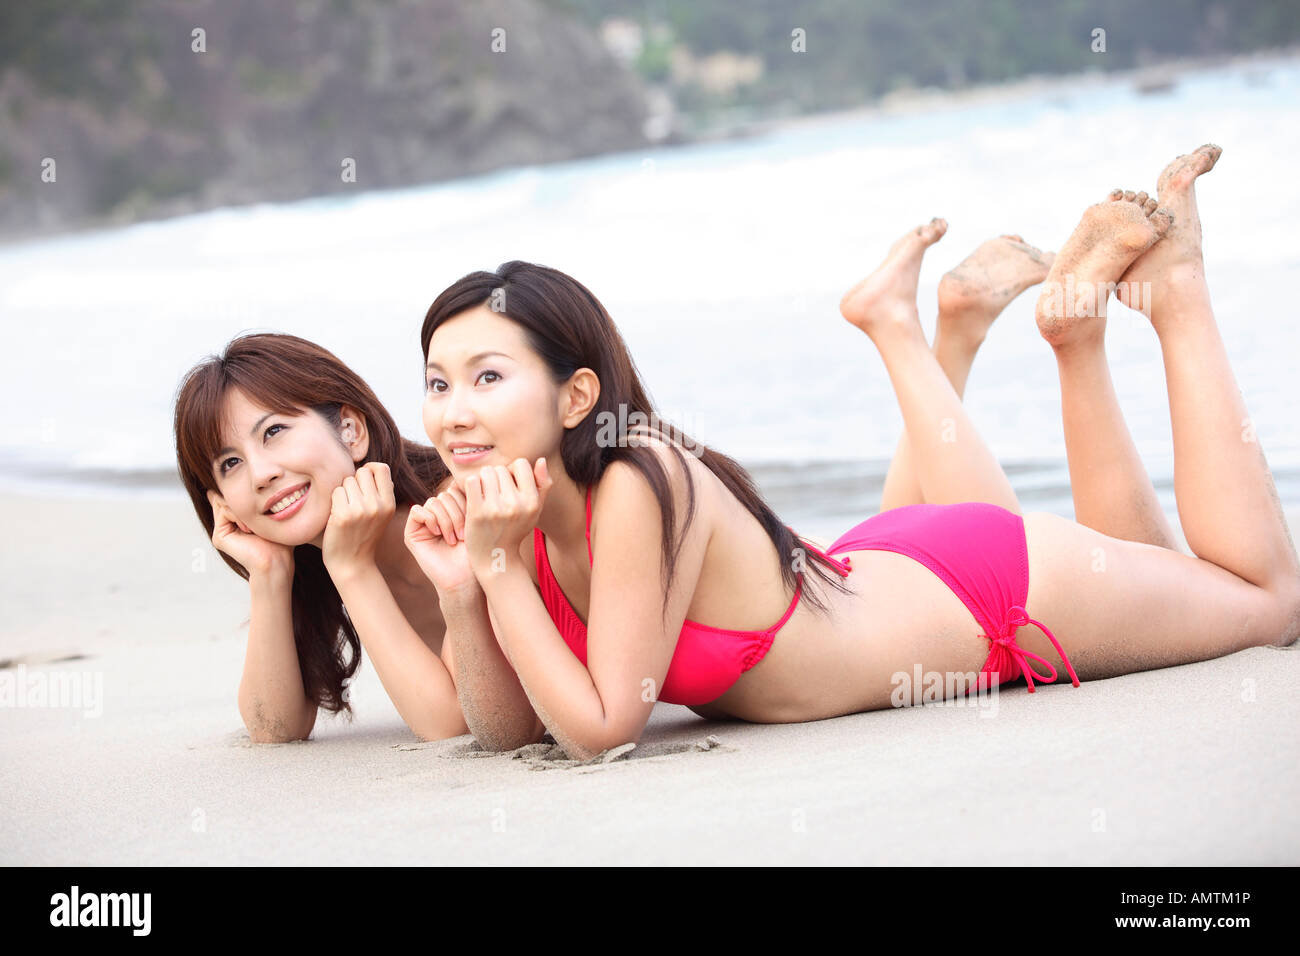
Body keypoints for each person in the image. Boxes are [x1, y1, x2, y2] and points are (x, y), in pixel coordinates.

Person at [406, 144, 1300, 761]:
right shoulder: (511, 505)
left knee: (1270, 607)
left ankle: (1176, 291)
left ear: (576, 395)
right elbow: (512, 731)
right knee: (1157, 569)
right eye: (438, 384)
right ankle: (1039, 338)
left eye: (486, 377)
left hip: (992, 599)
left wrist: (499, 570)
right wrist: (465, 587)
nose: (452, 412)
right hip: (885, 564)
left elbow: (601, 730)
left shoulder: (640, 475)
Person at [173, 333, 468, 743]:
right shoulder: (316, 564)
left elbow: (450, 723)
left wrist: (353, 567)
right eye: (231, 463)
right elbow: (274, 727)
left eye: (274, 431)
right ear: (220, 500)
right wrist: (269, 574)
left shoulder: (460, 507)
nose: (261, 474)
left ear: (350, 429)